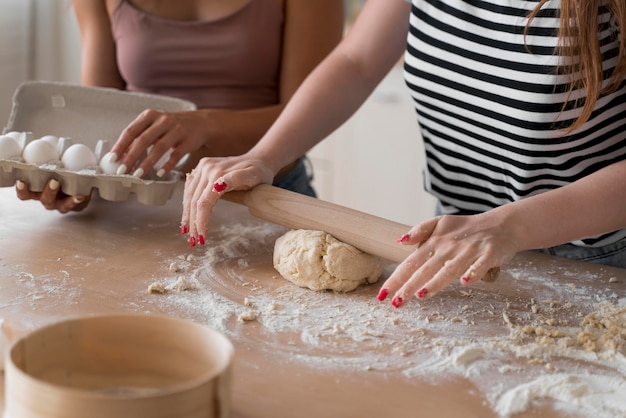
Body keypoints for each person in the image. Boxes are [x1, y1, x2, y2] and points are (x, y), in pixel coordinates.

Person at [181, 0, 626, 306]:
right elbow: (355, 62)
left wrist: (512, 225)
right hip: (456, 249)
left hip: (597, 264)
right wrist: (266, 155)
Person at [15, 0, 343, 213]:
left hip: (266, 197)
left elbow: (310, 114)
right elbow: (101, 110)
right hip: (138, 204)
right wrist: (82, 184)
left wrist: (206, 125)